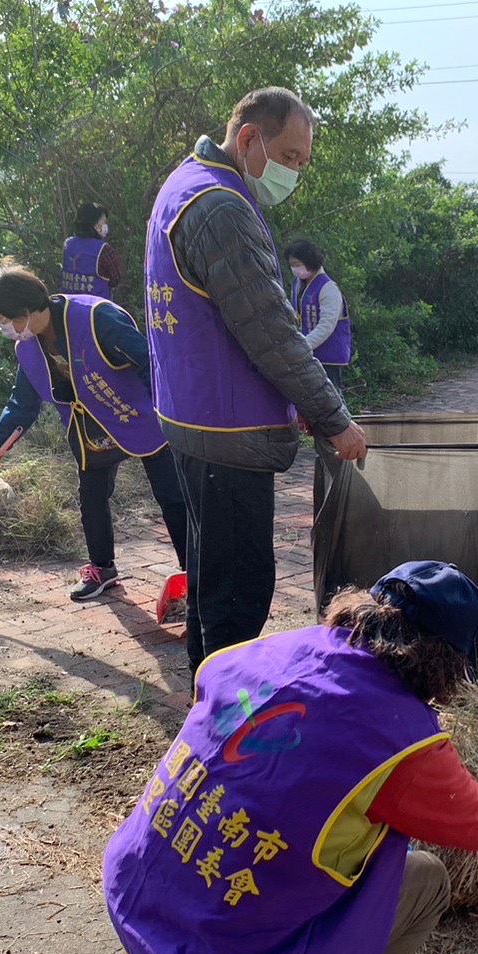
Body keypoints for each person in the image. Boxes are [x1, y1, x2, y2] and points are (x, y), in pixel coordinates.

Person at [103, 561, 478, 954]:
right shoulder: (401, 739)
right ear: (447, 662)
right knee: (426, 880)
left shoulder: (266, 651)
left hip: (152, 922)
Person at [145, 87, 367, 677]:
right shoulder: (220, 207)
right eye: (290, 157)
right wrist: (333, 416)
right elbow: (271, 331)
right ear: (249, 139)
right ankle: (221, 721)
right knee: (239, 590)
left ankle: (204, 693)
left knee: (210, 572)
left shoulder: (183, 185)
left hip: (190, 418)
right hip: (226, 428)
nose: (295, 172)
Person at [0, 258, 187, 602]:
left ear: (27, 308)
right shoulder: (28, 345)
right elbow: (22, 404)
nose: (5, 327)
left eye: (7, 319)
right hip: (90, 425)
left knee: (171, 495)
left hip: (139, 413)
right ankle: (102, 569)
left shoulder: (95, 318)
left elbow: (149, 363)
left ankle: (193, 569)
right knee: (92, 497)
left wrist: (169, 415)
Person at [286, 238, 352, 392]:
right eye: (292, 265)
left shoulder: (328, 288)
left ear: (309, 262)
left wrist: (304, 345)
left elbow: (326, 326)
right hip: (306, 352)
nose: (295, 269)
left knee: (332, 395)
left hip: (328, 356)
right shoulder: (297, 283)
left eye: (297, 264)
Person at [61, 201, 121, 298]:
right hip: (97, 309)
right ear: (94, 224)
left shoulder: (68, 244)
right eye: (103, 222)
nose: (105, 226)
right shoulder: (104, 249)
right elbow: (115, 279)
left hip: (68, 306)